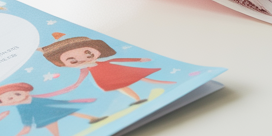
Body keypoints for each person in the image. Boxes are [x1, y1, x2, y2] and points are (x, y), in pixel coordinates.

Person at [39, 36, 174, 105]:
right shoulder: (86, 68)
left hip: (115, 70)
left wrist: (138, 60)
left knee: (140, 76)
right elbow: (83, 73)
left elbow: (115, 61)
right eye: (73, 60)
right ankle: (137, 98)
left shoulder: (101, 61)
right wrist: (77, 84)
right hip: (105, 78)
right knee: (122, 86)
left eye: (89, 53)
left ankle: (166, 83)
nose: (84, 59)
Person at [0, 82, 104, 136]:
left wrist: (68, 102)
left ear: (26, 92)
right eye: (7, 99)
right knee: (51, 123)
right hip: (43, 116)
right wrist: (27, 127)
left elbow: (50, 101)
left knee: (71, 113)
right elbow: (26, 117)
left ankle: (93, 118)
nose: (12, 98)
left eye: (17, 94)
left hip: (50, 109)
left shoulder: (32, 100)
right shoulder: (22, 106)